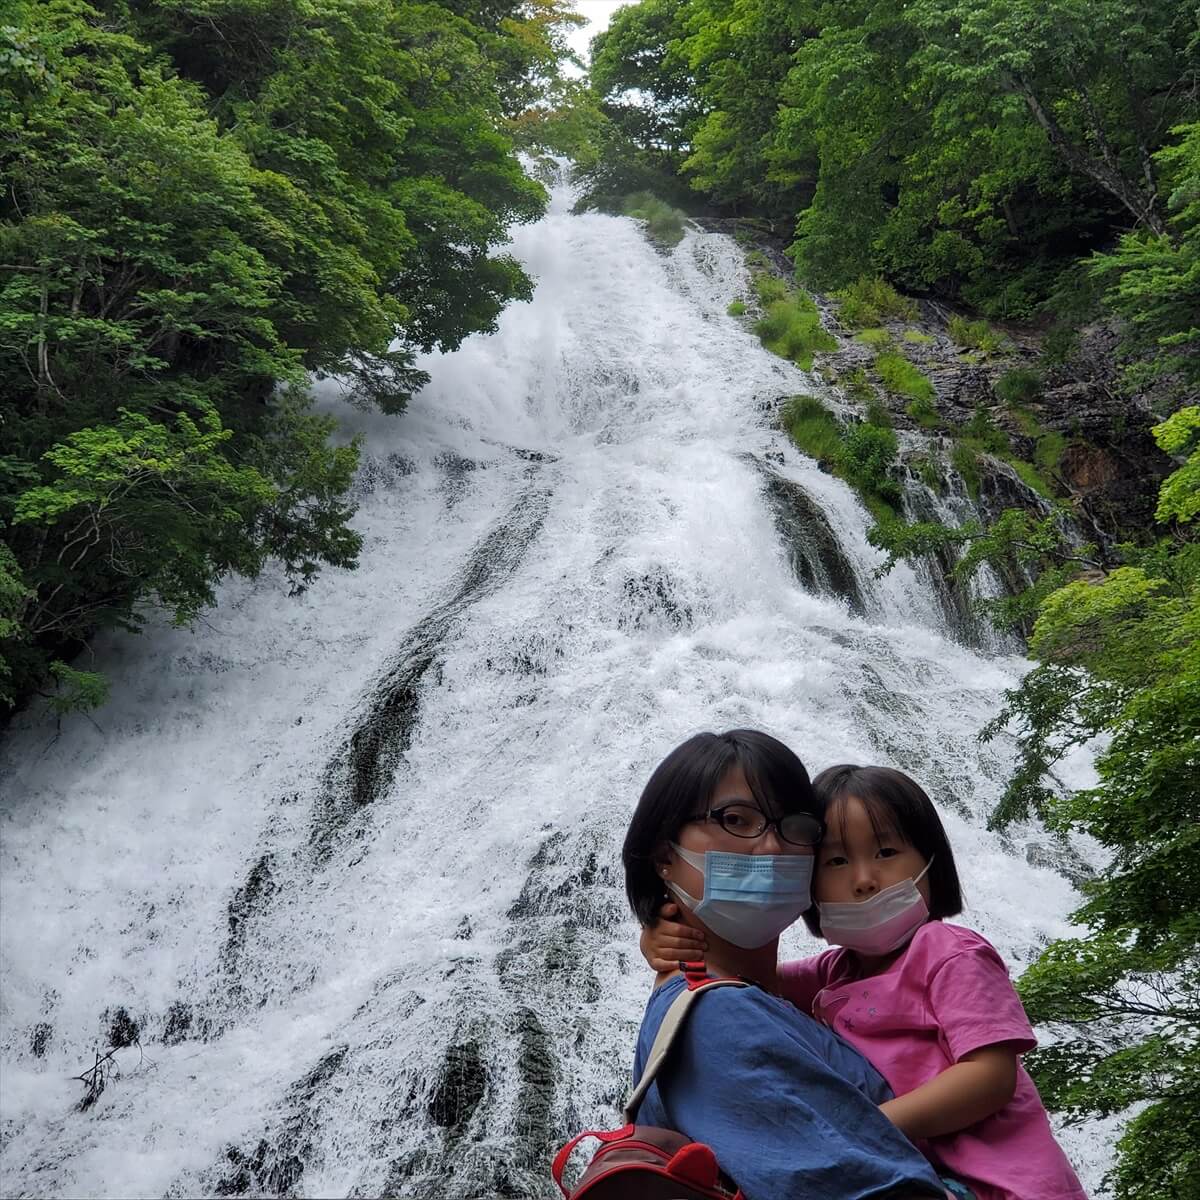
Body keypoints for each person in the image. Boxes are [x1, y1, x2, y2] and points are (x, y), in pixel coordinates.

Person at [642, 762, 1088, 1200]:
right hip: (938, 1175)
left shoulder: (951, 952)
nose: (863, 880)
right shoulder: (835, 972)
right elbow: (746, 982)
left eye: (886, 853)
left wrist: (862, 1127)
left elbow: (991, 1077)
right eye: (836, 860)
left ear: (932, 861)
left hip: (1009, 1183)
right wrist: (666, 942)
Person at [623, 729, 949, 1200]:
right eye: (736, 818)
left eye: (795, 826)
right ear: (663, 856)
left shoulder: (786, 997)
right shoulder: (717, 1015)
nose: (773, 847)